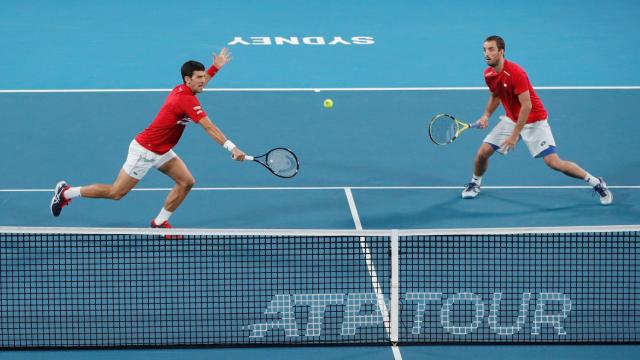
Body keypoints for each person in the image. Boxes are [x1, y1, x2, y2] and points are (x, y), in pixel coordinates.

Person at [50, 48, 247, 229]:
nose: (203, 81)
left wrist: (215, 68)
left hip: (161, 149)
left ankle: (160, 221)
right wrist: (232, 148)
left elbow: (202, 84)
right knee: (116, 193)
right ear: (188, 80)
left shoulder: (184, 89)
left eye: (204, 77)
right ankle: (66, 192)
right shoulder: (186, 99)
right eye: (199, 78)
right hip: (145, 150)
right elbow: (208, 127)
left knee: (186, 182)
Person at [461, 35, 612, 205]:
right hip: (512, 119)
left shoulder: (516, 73)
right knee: (482, 154)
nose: (486, 54)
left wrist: (514, 135)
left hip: (534, 120)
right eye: (484, 49)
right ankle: (475, 183)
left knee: (554, 162)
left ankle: (596, 183)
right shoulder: (489, 73)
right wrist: (486, 115)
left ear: (501, 52)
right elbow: (495, 95)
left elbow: (527, 106)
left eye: (491, 49)